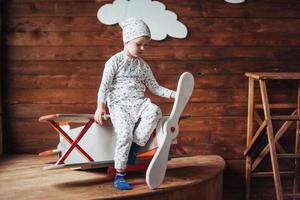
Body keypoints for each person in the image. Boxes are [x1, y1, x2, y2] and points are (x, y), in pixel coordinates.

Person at [94, 17, 176, 190]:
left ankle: (133, 147)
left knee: (154, 110)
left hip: (139, 103)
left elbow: (155, 87)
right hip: (119, 105)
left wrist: (173, 94)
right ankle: (120, 175)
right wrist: (100, 107)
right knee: (124, 134)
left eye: (145, 45)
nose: (143, 48)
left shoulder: (143, 66)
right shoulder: (114, 62)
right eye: (139, 44)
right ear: (127, 40)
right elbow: (104, 86)